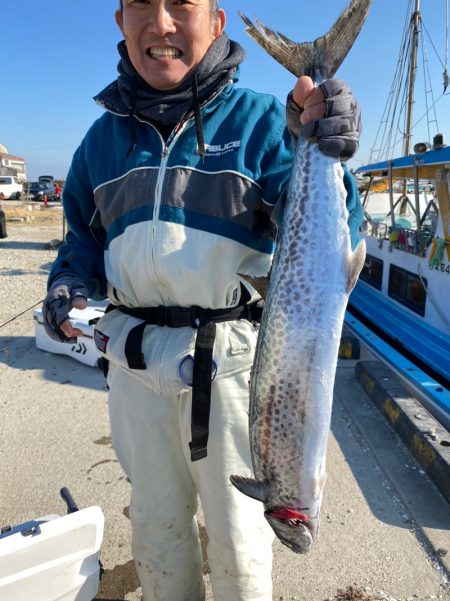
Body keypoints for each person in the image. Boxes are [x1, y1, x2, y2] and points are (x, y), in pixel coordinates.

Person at [43, 1, 363, 599]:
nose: (160, 25)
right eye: (141, 3)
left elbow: (331, 233)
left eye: (181, 6)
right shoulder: (99, 144)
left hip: (236, 374)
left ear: (216, 23)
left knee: (242, 551)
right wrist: (66, 286)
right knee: (158, 539)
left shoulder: (266, 125)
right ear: (119, 20)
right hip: (135, 371)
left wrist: (327, 152)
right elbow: (80, 244)